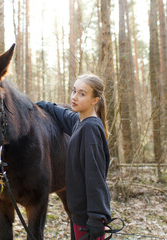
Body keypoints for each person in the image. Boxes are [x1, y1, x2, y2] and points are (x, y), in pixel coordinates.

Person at [36, 74, 111, 240]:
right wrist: (39, 105)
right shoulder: (80, 122)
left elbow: (95, 177)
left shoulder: (90, 129)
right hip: (79, 214)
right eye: (74, 91)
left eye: (82, 94)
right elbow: (62, 114)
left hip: (88, 219)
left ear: (95, 100)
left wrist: (97, 217)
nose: (74, 97)